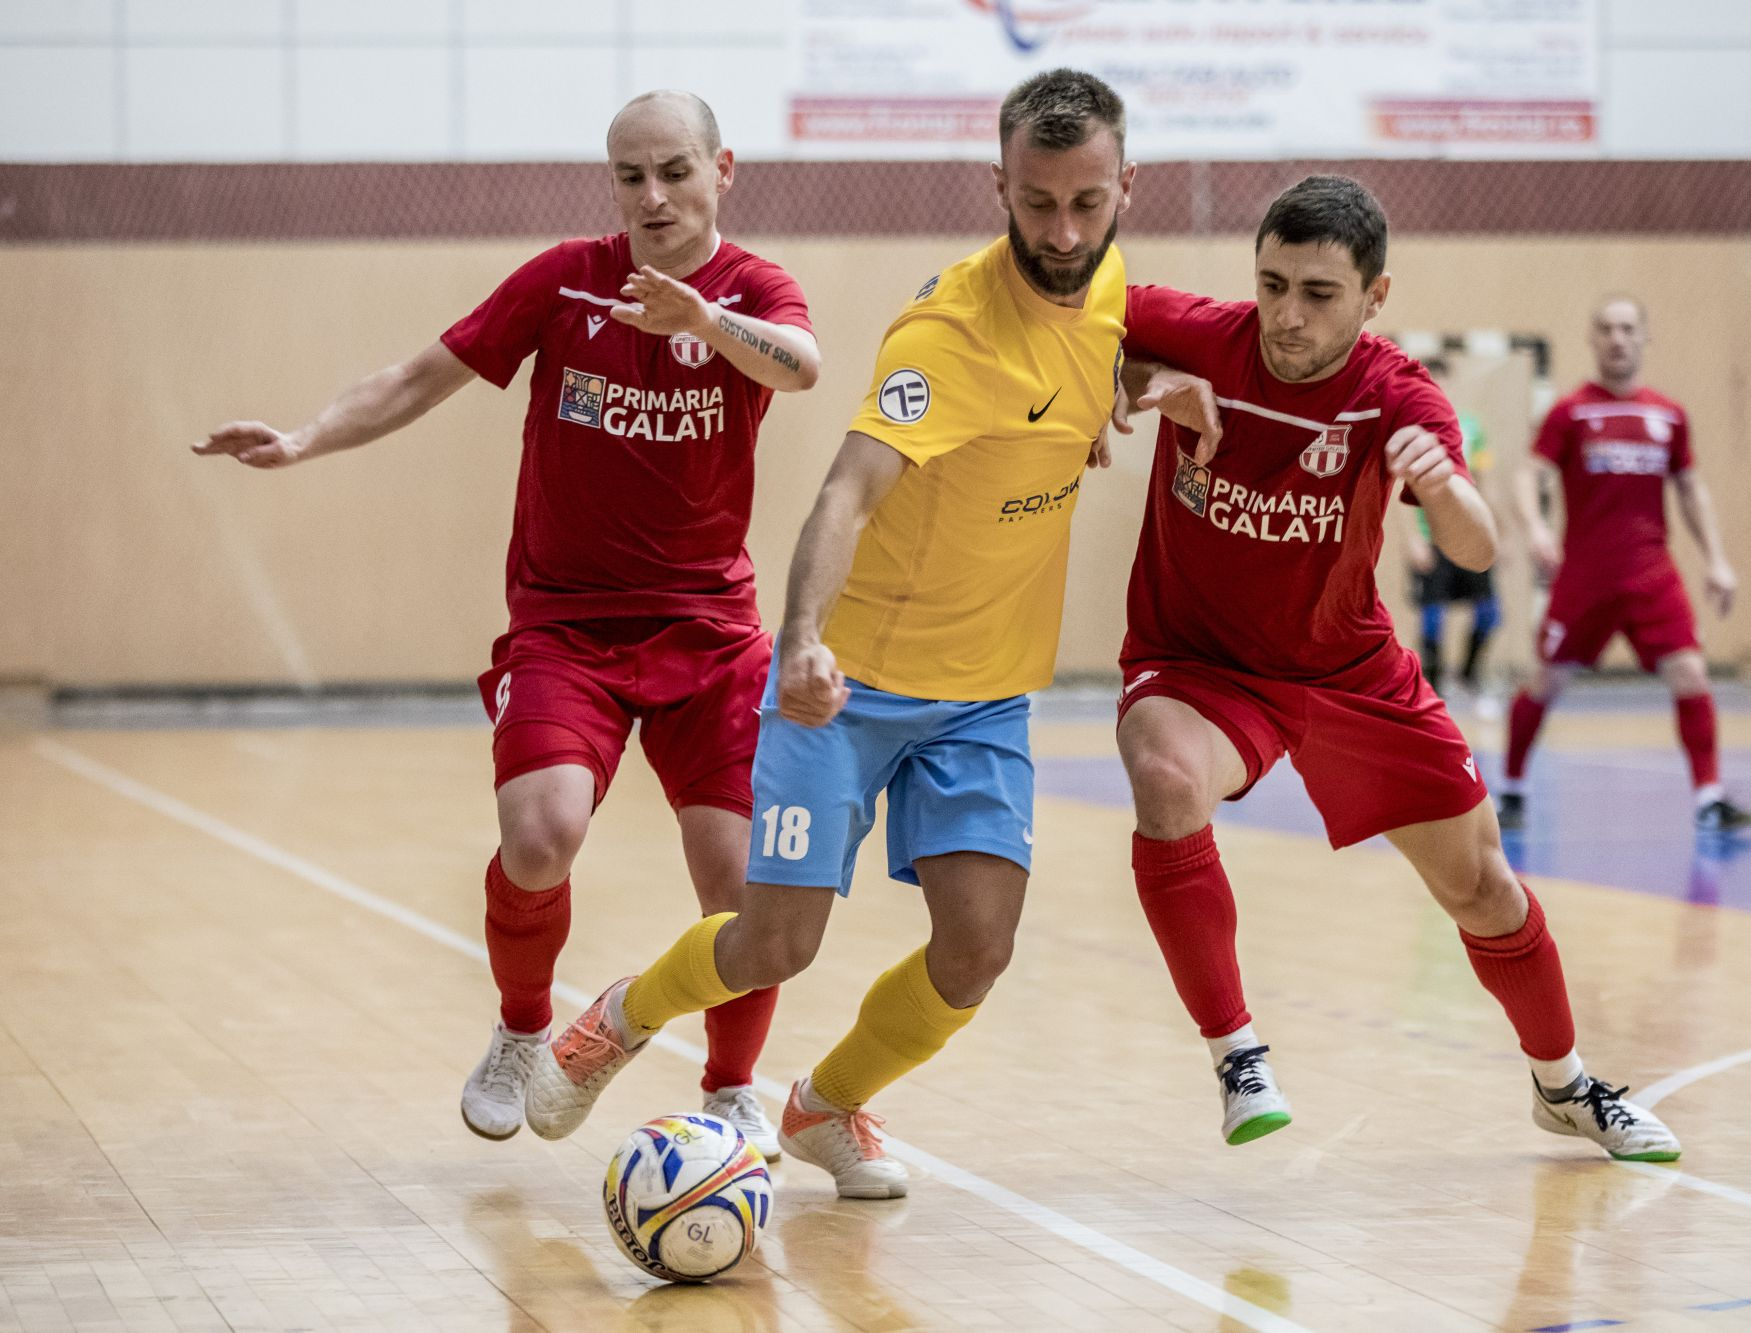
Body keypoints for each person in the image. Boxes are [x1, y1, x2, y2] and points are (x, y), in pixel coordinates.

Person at [522, 69, 1134, 1198]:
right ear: (996, 185)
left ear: (1120, 191)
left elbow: (1124, 352)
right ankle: (615, 1018)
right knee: (771, 943)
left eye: (1085, 204)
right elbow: (844, 495)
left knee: (976, 949)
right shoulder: (945, 333)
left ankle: (824, 1105)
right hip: (847, 687)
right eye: (1035, 202)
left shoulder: (1111, 301)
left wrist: (1123, 402)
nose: (1060, 230)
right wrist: (800, 640)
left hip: (985, 693)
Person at [193, 91, 821, 1155]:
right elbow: (421, 376)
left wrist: (705, 324)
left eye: (674, 170)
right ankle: (522, 1028)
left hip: (711, 635)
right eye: (630, 175)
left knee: (740, 884)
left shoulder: (754, 289)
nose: (652, 195)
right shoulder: (563, 278)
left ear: (724, 169)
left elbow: (799, 365)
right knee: (538, 841)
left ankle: (728, 1088)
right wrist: (305, 440)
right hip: (566, 629)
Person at [1106, 175, 1679, 1161]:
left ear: (1373, 296)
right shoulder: (1200, 333)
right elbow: (1048, 316)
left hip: (1346, 669)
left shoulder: (1396, 394)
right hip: (1199, 664)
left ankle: (1563, 1083)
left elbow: (1475, 546)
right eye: (1271, 282)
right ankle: (1236, 1052)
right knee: (1163, 779)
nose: (1286, 314)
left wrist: (1440, 484)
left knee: (1485, 891)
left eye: (1318, 293)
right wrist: (1133, 383)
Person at [1498, 298, 1751, 834]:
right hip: (1585, 578)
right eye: (1607, 330)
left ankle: (1709, 797)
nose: (1618, 338)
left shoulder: (1668, 415)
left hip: (1651, 575)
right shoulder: (1570, 413)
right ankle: (1514, 790)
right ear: (1593, 340)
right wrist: (1536, 529)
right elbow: (1528, 475)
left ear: (1643, 338)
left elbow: (1690, 491)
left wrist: (1717, 561)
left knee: (1690, 672)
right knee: (1546, 681)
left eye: (1628, 329)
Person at [1405, 362, 1501, 700]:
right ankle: (1433, 690)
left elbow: (1485, 483)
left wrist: (1496, 533)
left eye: (1442, 382)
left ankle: (1469, 674)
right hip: (1431, 539)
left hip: (1467, 532)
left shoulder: (1471, 427)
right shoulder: (1410, 428)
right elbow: (1394, 489)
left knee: (1490, 612)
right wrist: (1413, 541)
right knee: (1432, 618)